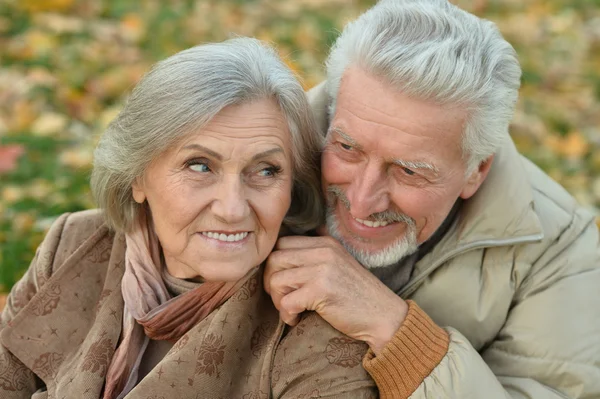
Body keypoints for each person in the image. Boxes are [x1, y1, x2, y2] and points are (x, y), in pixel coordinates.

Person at [0, 38, 377, 398]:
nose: (232, 209)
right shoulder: (72, 245)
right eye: (200, 166)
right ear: (138, 177)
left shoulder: (311, 319)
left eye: (265, 170)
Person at [264, 1, 600, 398]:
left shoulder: (559, 251)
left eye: (409, 171)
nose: (361, 200)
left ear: (476, 171)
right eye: (347, 147)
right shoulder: (245, 162)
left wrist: (396, 332)